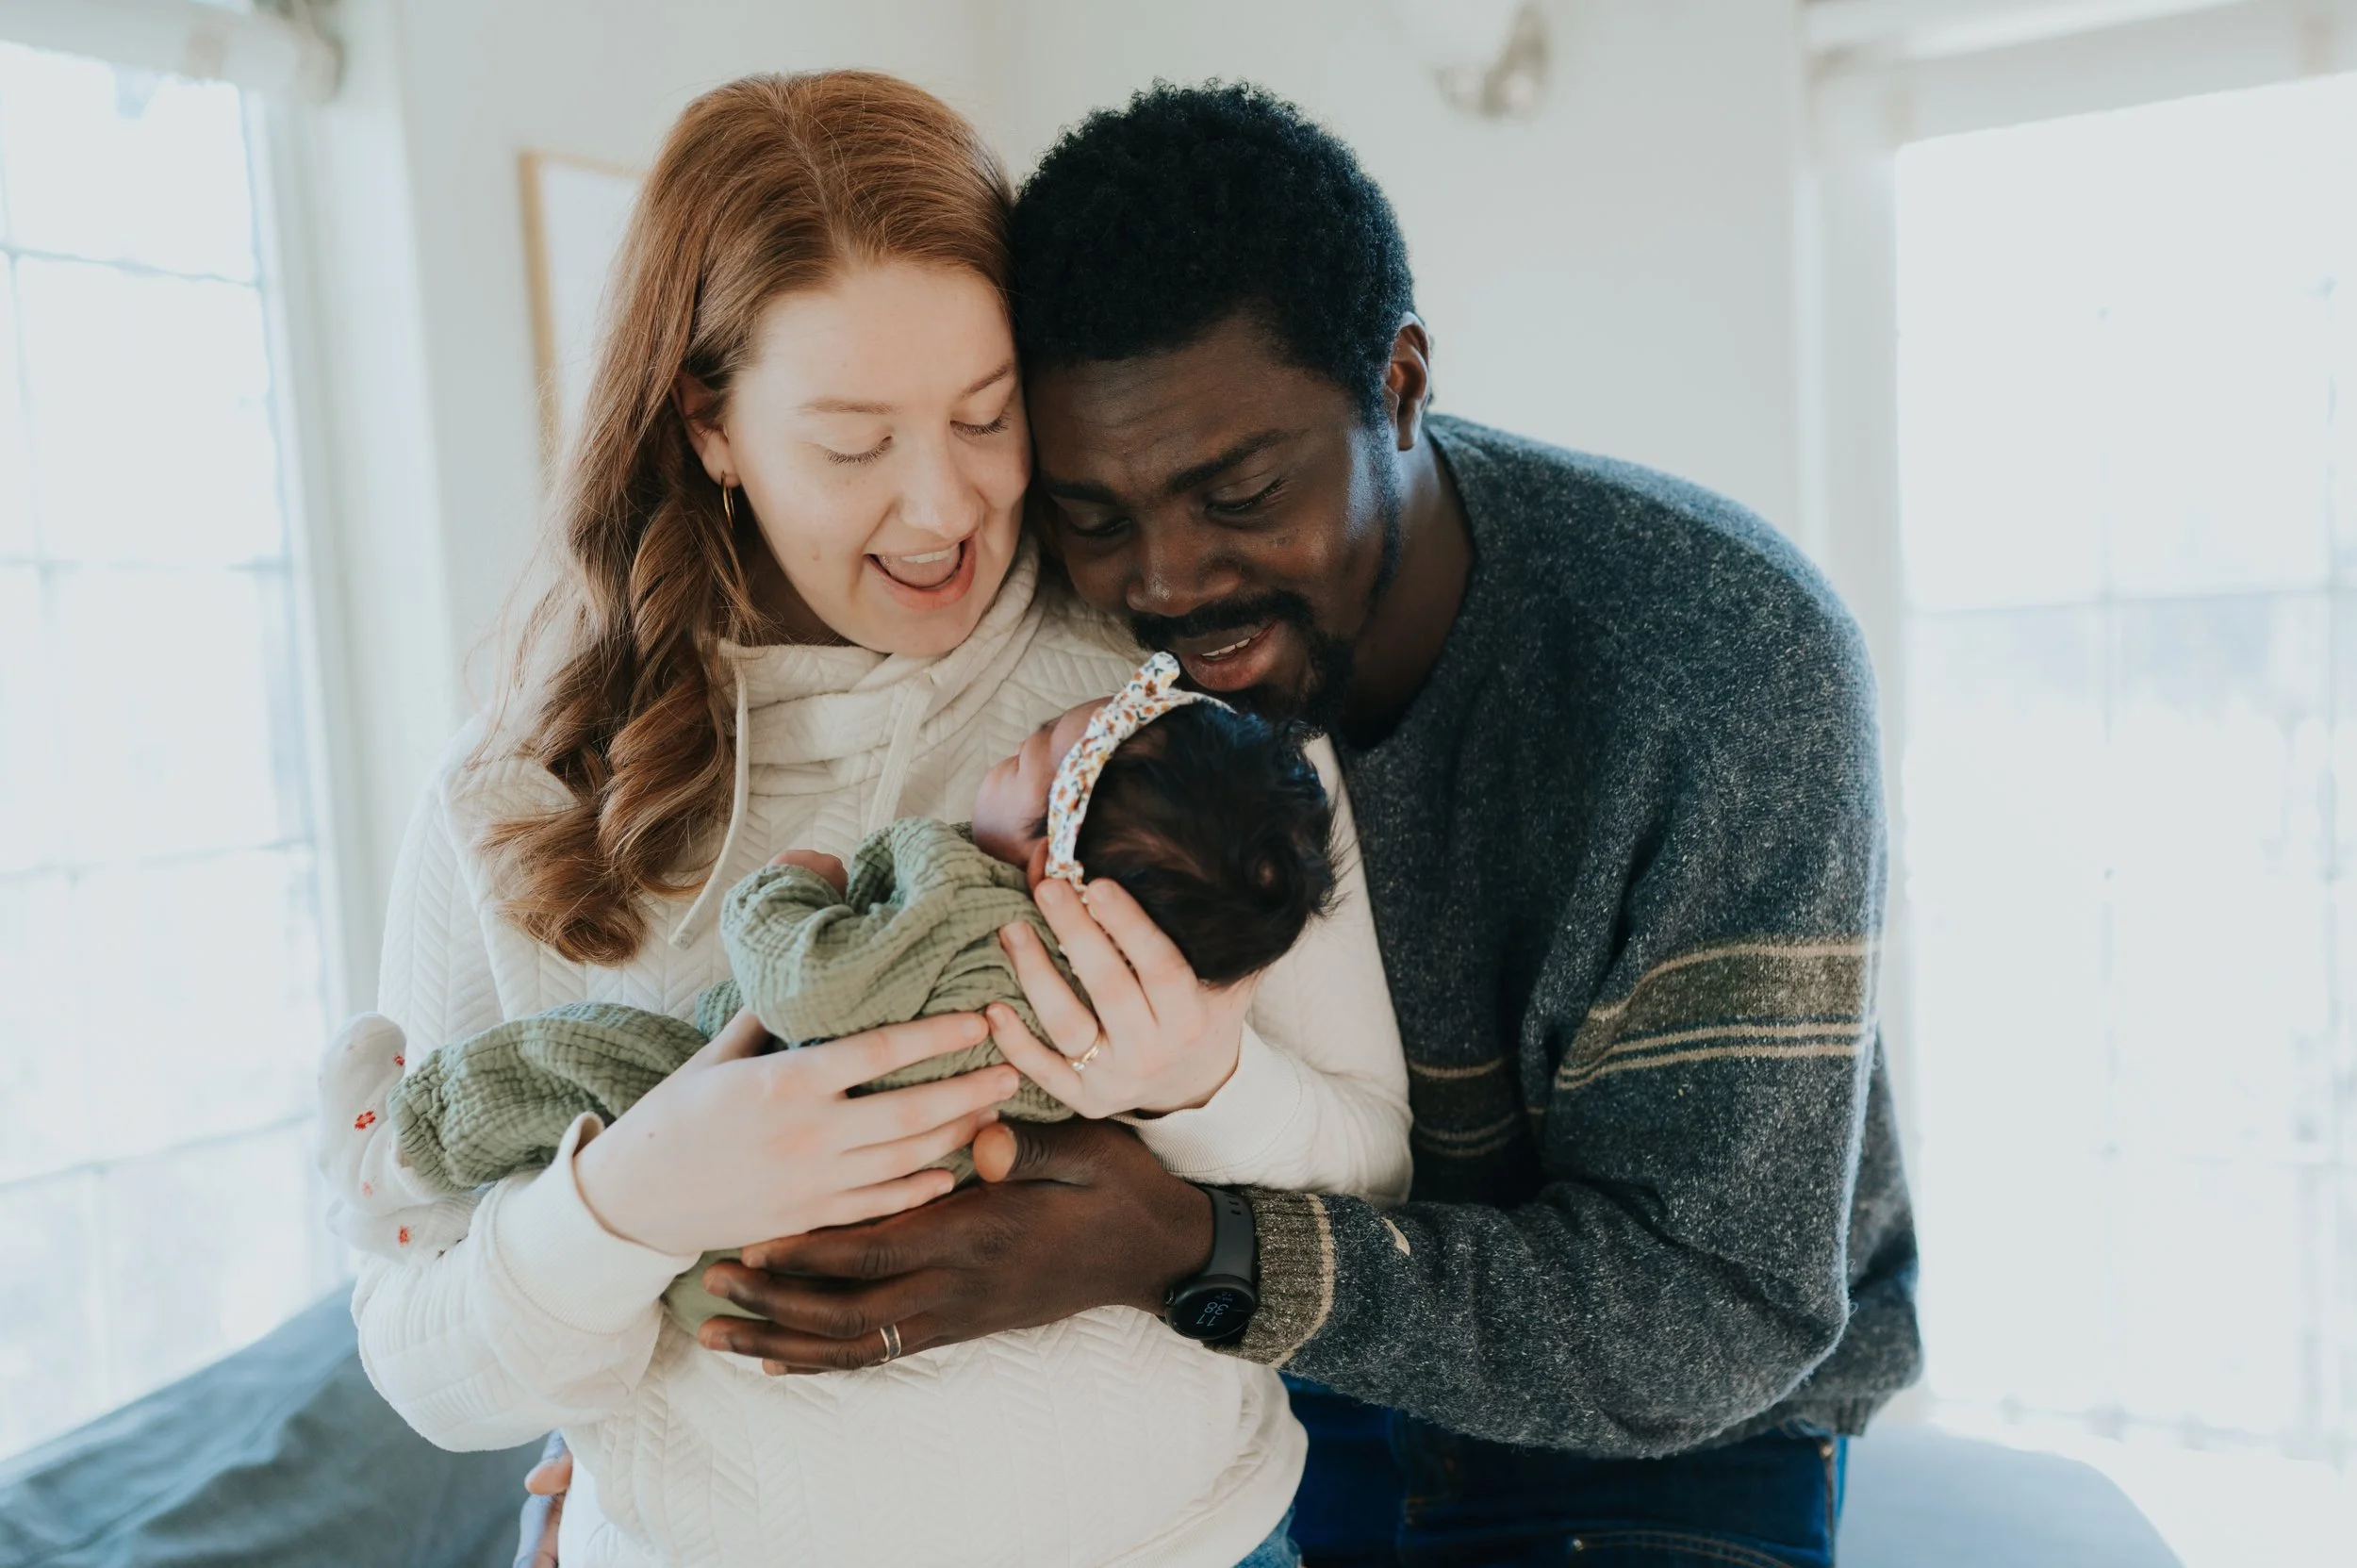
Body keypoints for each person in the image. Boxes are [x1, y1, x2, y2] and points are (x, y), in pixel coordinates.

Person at [703, 83, 1922, 1568]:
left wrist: (1187, 1248)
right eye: (1097, 513)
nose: (1166, 582)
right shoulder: (1053, 617)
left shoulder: (1723, 665)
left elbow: (1718, 1310)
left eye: (1243, 491)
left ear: (1401, 384)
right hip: (1269, 1378)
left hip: (1661, 1437)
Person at [329, 72, 1411, 1568]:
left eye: (987, 416)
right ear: (707, 422)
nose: (941, 509)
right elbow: (422, 1360)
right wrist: (633, 1198)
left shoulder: (1157, 699)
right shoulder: (520, 791)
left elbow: (1375, 1168)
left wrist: (1197, 1076)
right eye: (852, 441)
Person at [320, 659, 1343, 1332]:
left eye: (1024, 754)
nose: (1001, 755)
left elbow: (809, 985)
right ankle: (446, 1211)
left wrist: (789, 888)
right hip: (793, 1266)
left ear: (1048, 854)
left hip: (747, 1145)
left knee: (564, 1055)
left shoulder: (959, 906)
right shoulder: (1115, 1012)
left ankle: (397, 1149)